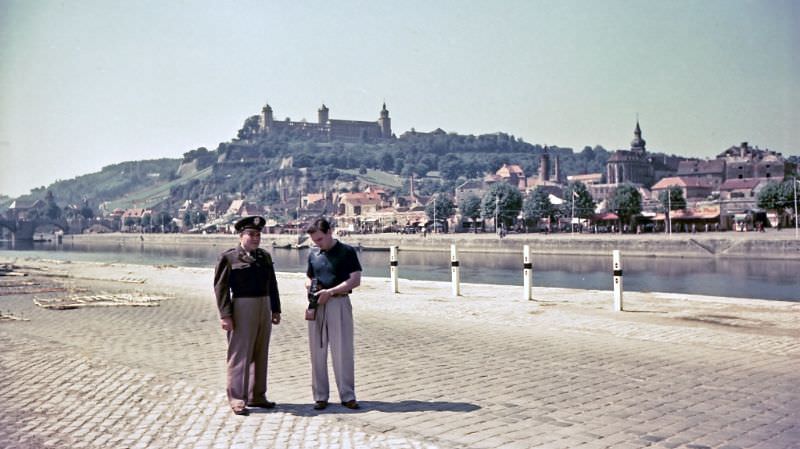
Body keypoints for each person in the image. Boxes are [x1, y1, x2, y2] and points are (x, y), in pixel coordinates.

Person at [213, 216, 282, 416]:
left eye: (258, 234)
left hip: (264, 304)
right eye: (251, 234)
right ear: (241, 235)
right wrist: (225, 315)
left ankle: (257, 395)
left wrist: (275, 309)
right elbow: (221, 288)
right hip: (242, 306)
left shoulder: (264, 257)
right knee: (239, 354)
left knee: (261, 352)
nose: (255, 238)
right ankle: (237, 398)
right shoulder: (229, 257)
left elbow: (272, 284)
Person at [305, 218, 362, 411]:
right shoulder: (313, 254)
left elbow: (355, 280)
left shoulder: (347, 251)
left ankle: (347, 395)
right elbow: (309, 275)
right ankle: (320, 395)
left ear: (330, 231)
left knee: (343, 351)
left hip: (339, 303)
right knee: (317, 352)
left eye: (320, 239)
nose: (317, 243)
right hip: (317, 304)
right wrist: (310, 285)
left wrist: (330, 291)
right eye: (314, 240)